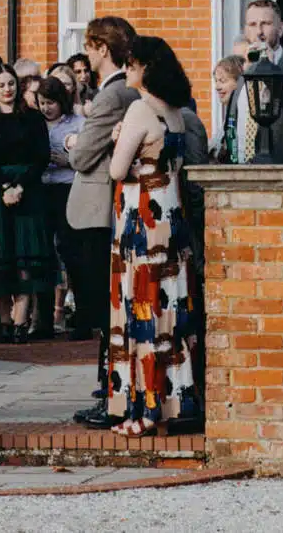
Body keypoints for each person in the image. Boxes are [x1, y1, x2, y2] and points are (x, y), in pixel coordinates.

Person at [104, 35, 204, 436]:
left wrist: (117, 140)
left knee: (141, 314)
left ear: (147, 68)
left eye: (131, 64)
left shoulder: (140, 109)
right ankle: (177, 402)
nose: (126, 70)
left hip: (141, 223)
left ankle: (142, 411)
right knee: (172, 313)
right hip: (173, 222)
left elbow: (116, 169)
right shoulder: (176, 112)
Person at [65, 16, 137, 428]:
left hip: (95, 210)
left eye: (90, 48)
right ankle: (108, 386)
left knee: (104, 307)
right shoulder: (122, 93)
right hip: (105, 209)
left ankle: (110, 391)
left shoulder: (112, 96)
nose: (88, 56)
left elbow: (81, 156)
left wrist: (75, 141)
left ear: (102, 48)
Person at [0, 64, 56, 342]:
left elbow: (41, 157)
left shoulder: (32, 118)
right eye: (1, 85)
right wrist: (5, 187)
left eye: (11, 84)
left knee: (25, 262)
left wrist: (20, 186)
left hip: (28, 193)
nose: (7, 90)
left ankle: (21, 323)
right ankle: (4, 323)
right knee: (0, 260)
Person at [217, 0, 283, 163]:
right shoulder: (245, 70)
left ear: (280, 29)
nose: (259, 32)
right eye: (252, 25)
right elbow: (233, 125)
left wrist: (274, 73)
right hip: (241, 176)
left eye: (265, 24)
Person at [35, 75, 83, 337]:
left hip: (66, 188)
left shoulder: (77, 123)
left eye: (51, 102)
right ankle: (42, 320)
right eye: (42, 102)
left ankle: (76, 313)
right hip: (42, 188)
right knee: (43, 253)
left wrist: (66, 160)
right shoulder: (35, 123)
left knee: (69, 248)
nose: (46, 108)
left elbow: (86, 156)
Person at [208, 55, 243, 154]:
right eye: (216, 81)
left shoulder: (242, 115)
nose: (217, 87)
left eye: (222, 81)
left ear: (238, 82)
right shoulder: (229, 115)